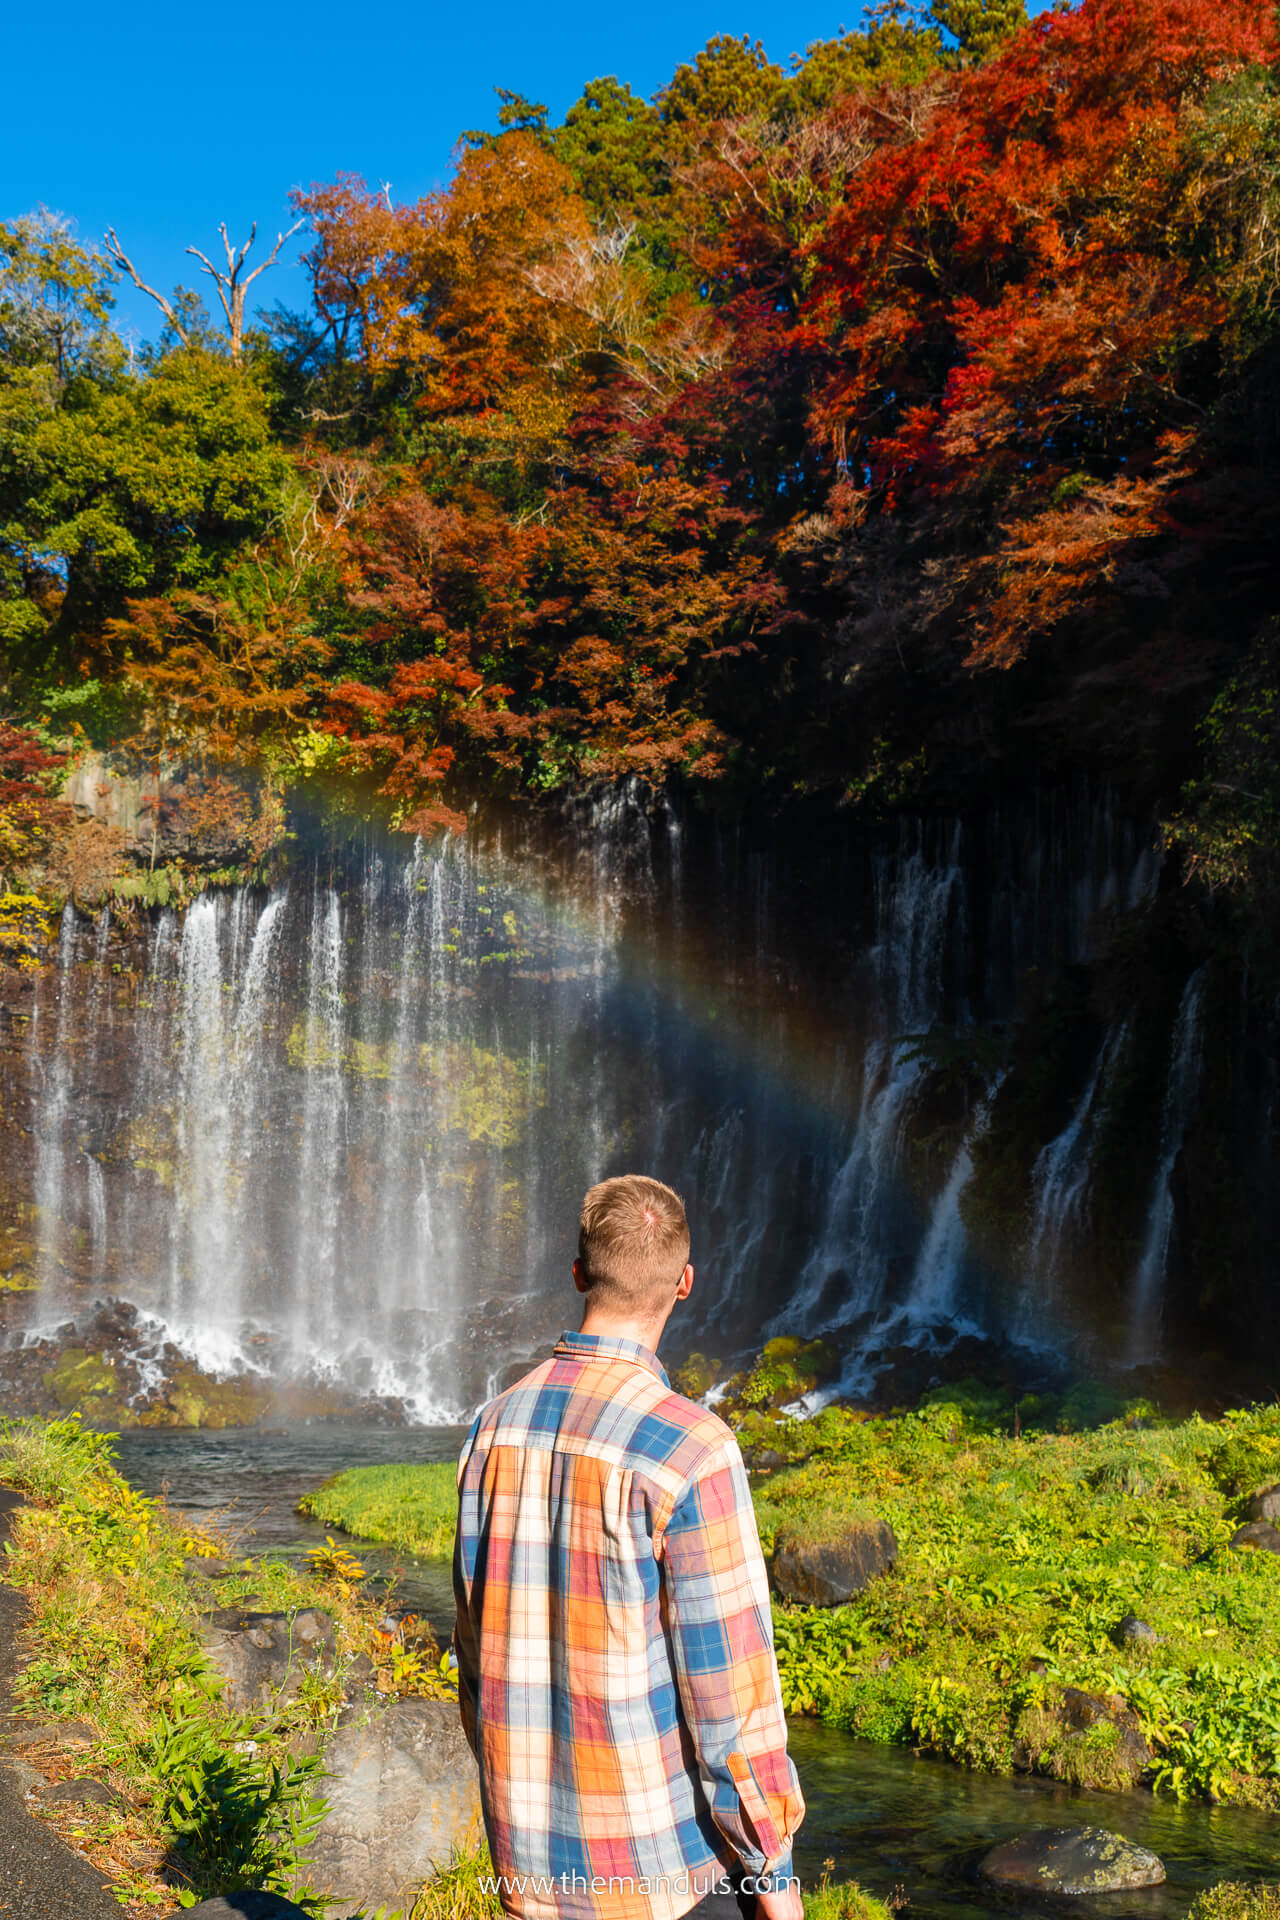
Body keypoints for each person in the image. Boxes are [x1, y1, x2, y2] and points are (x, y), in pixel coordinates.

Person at [453, 1174, 805, 1920]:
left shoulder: (494, 1427)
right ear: (685, 1283)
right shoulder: (692, 1448)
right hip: (668, 1880)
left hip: (529, 1870)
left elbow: (475, 1653)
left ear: (579, 1274)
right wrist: (773, 1873)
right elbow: (728, 1696)